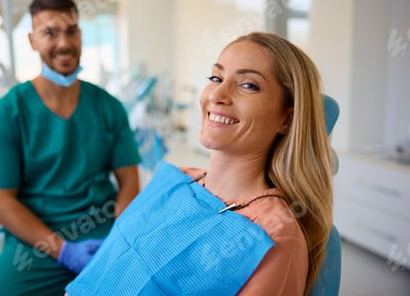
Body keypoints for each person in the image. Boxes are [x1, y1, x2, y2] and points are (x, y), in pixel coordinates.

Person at [64, 32, 334, 296]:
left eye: (248, 85)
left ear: (287, 119)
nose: (217, 94)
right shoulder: (177, 180)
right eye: (216, 77)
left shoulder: (272, 236)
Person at [0, 0, 141, 295]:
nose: (64, 43)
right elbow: (1, 203)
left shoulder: (109, 107)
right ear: (32, 41)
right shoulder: (7, 113)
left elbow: (129, 182)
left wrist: (119, 238)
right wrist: (63, 250)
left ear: (80, 34)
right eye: (49, 33)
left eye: (71, 31)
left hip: (104, 234)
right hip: (36, 241)